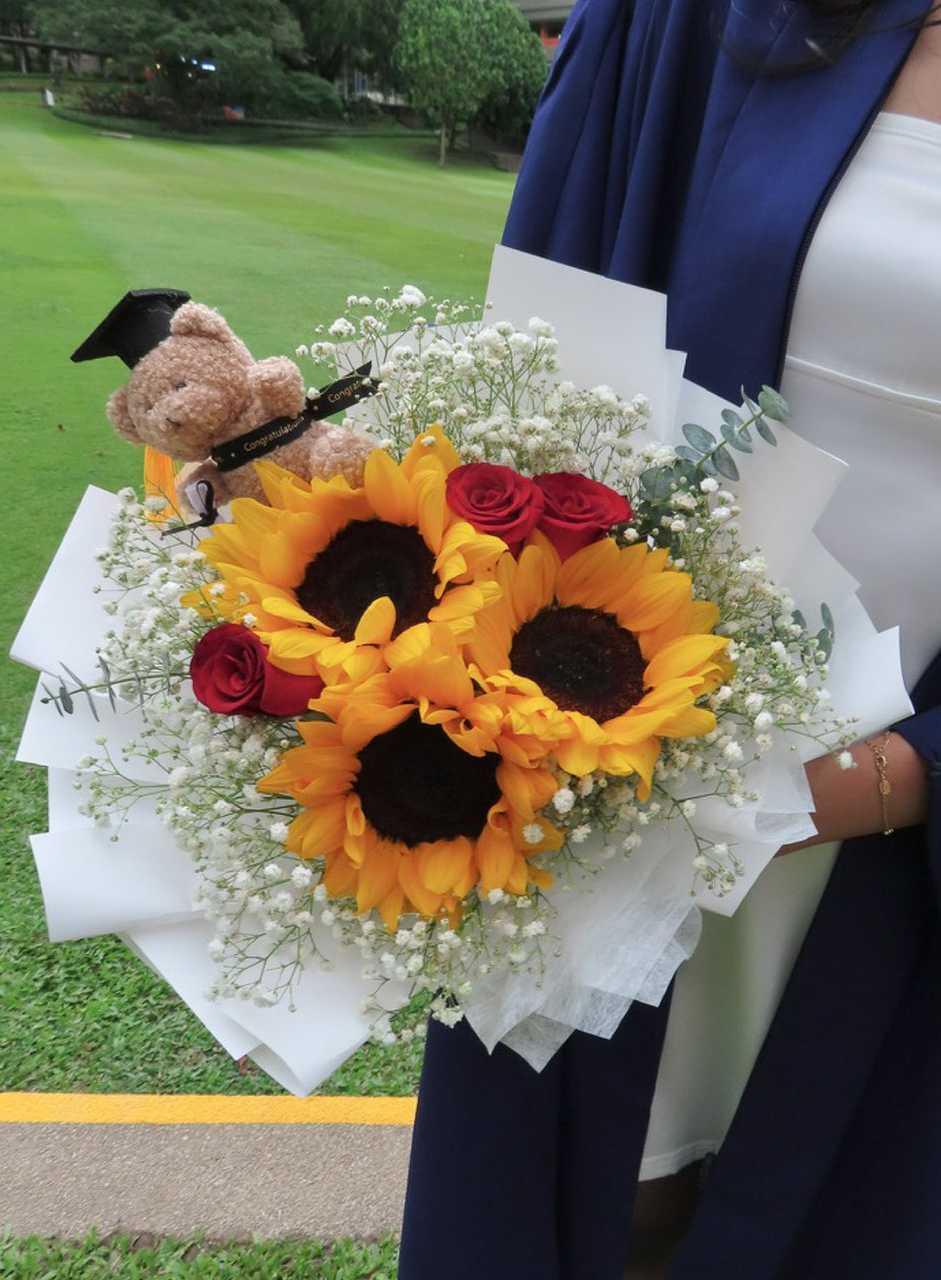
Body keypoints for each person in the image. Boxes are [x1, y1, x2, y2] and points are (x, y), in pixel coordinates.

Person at [398, 0, 941, 1276]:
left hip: (882, 843)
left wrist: (889, 783)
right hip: (604, 781)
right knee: (588, 1200)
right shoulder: (686, 22)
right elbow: (527, 385)